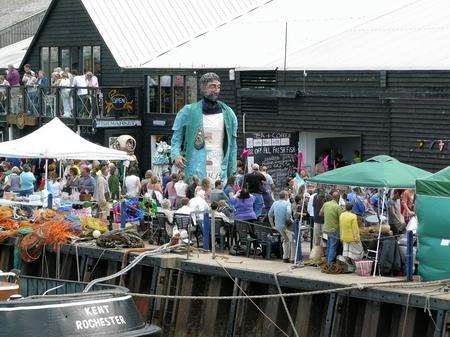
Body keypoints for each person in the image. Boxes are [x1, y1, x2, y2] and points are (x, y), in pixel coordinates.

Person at [171, 72, 237, 182]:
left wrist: (232, 170)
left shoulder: (229, 113)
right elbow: (176, 139)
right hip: (197, 169)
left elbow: (233, 145)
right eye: (212, 86)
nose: (216, 90)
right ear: (202, 87)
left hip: (220, 168)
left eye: (218, 86)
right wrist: (176, 155)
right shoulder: (188, 111)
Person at [269, 191, 295, 263]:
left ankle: (285, 257)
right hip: (287, 225)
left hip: (278, 226)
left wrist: (272, 225)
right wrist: (288, 219)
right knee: (292, 241)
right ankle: (292, 258)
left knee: (285, 240)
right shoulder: (287, 203)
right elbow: (289, 212)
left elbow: (270, 215)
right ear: (286, 196)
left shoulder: (275, 203)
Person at [320, 191, 342, 264]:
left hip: (326, 228)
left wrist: (327, 216)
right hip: (334, 229)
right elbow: (341, 218)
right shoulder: (337, 207)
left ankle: (327, 260)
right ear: (338, 198)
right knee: (333, 246)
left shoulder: (326, 204)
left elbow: (320, 213)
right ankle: (330, 263)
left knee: (329, 244)